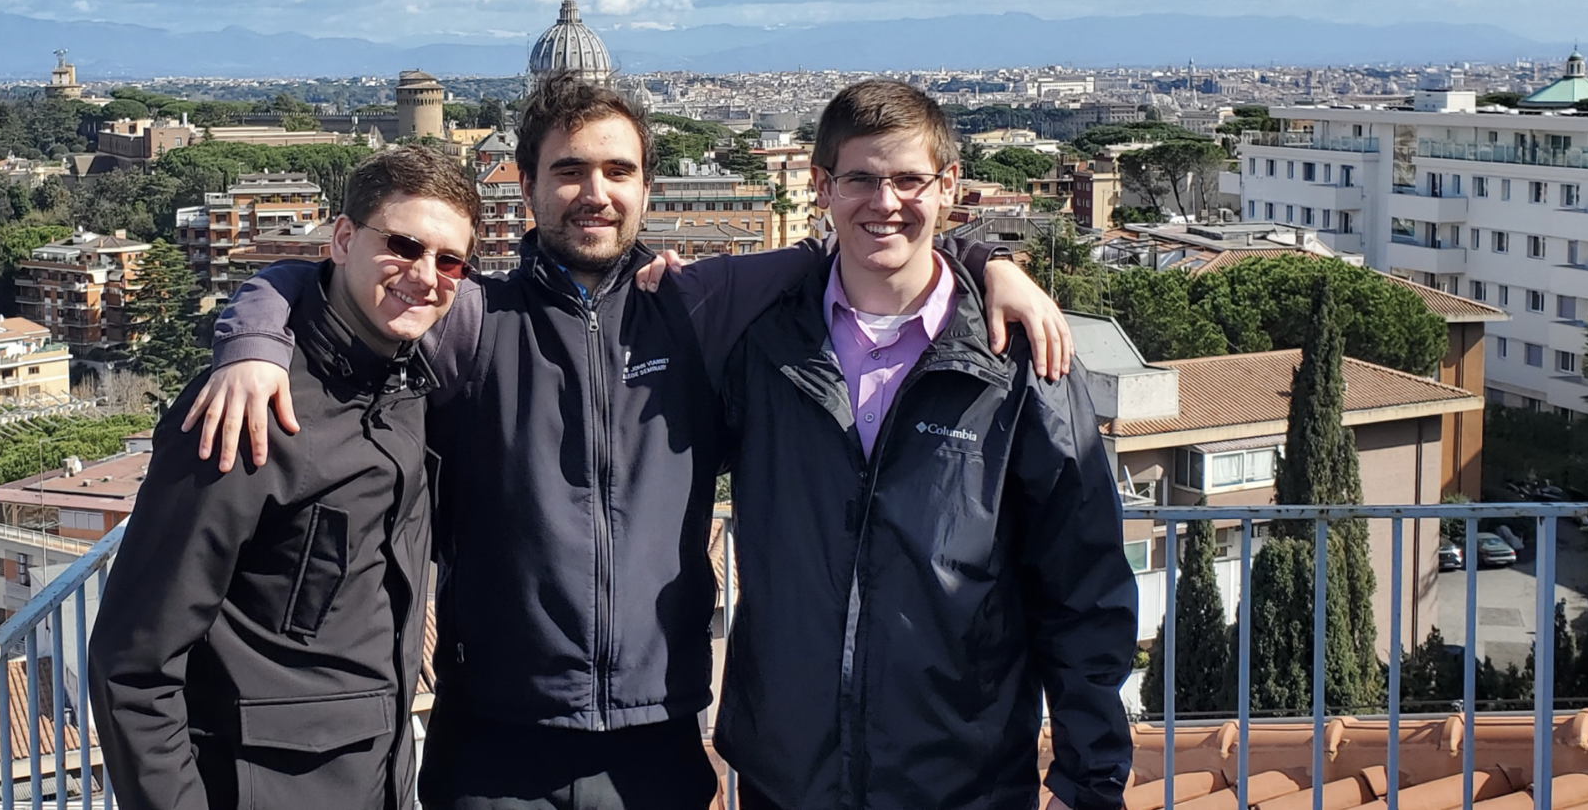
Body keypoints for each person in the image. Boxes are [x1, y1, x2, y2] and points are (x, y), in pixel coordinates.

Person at [190, 72, 1077, 810]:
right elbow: (324, 276)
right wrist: (254, 340)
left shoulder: (696, 305)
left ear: (647, 186)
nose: (596, 191)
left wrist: (989, 262)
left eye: (619, 169)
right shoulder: (474, 319)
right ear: (526, 185)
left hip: (656, 741)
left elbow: (873, 233)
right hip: (496, 741)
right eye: (569, 169)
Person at [716, 80, 1134, 810]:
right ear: (822, 187)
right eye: (861, 178)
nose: (885, 201)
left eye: (909, 179)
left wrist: (1089, 783)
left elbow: (1081, 581)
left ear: (948, 187)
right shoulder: (761, 346)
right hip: (787, 782)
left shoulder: (1019, 359)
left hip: (963, 784)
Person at [84, 145, 482, 810]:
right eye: (403, 245)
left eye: (449, 261)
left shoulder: (411, 389)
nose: (424, 275)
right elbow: (133, 663)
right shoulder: (244, 408)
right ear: (344, 239)